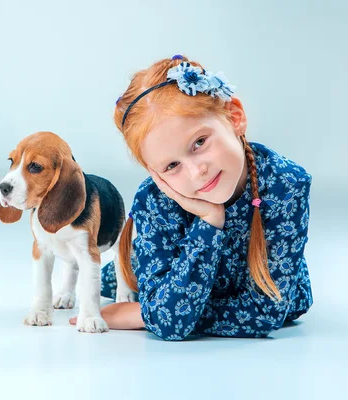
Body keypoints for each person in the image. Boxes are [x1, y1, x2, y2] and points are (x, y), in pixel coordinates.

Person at [70, 54, 313, 340]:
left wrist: (144, 314)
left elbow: (266, 312)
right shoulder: (155, 200)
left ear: (235, 117)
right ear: (155, 173)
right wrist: (209, 221)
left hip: (237, 290)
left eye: (200, 142)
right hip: (156, 271)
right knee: (114, 278)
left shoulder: (286, 183)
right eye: (171, 166)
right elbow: (171, 325)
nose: (197, 172)